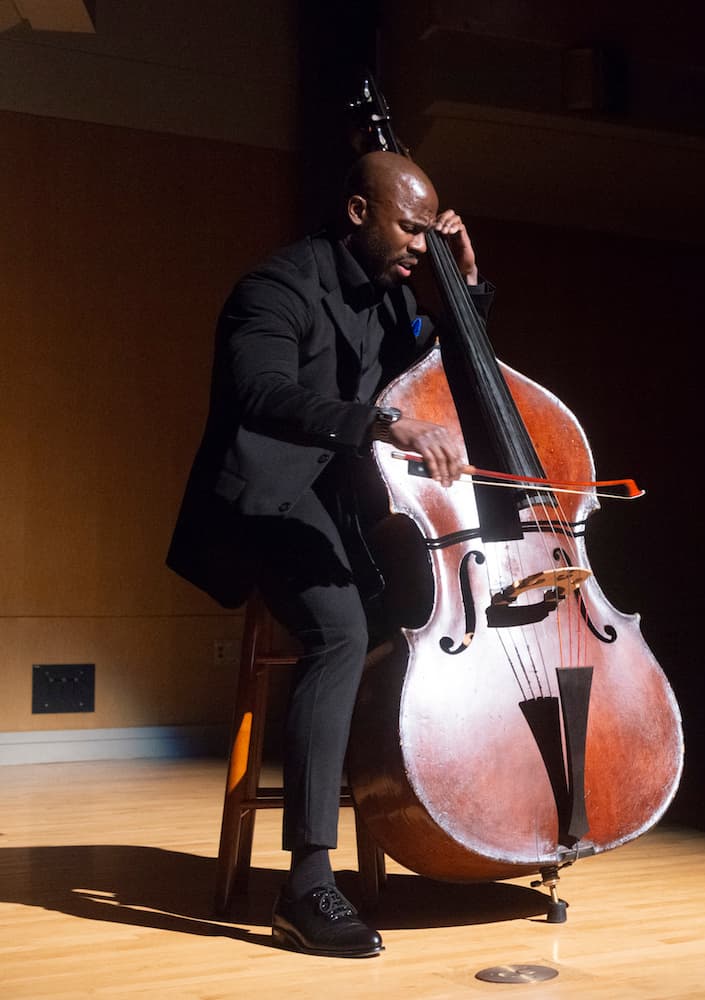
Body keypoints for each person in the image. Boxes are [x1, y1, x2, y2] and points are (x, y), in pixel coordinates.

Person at [167, 151, 492, 957]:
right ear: (358, 212)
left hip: (344, 511)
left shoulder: (389, 305)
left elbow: (441, 369)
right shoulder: (273, 289)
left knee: (398, 624)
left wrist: (465, 293)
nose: (422, 244)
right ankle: (307, 883)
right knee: (340, 633)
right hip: (262, 503)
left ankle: (412, 819)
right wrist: (384, 426)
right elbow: (263, 393)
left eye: (430, 232)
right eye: (410, 228)